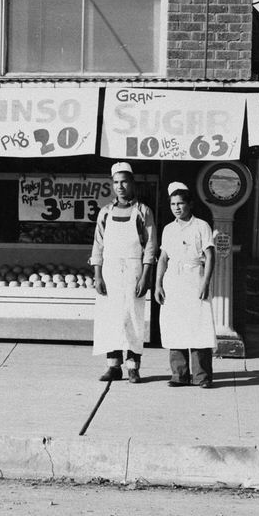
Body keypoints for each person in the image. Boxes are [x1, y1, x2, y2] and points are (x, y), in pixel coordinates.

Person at [90, 161, 158, 383]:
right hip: (109, 270)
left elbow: (150, 247)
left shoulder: (143, 212)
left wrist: (146, 276)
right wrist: (98, 274)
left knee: (133, 317)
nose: (120, 187)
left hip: (133, 270)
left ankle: (133, 367)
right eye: (116, 182)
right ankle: (113, 366)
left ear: (132, 183)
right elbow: (98, 245)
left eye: (124, 182)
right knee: (110, 319)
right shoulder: (105, 213)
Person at [156, 182, 217, 388]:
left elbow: (210, 256)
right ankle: (179, 375)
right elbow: (163, 258)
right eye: (173, 204)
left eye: (181, 203)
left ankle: (202, 377)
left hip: (194, 278)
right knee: (176, 326)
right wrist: (158, 284)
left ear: (190, 204)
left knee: (198, 327)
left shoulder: (201, 226)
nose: (177, 207)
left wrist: (205, 282)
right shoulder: (168, 229)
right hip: (173, 281)